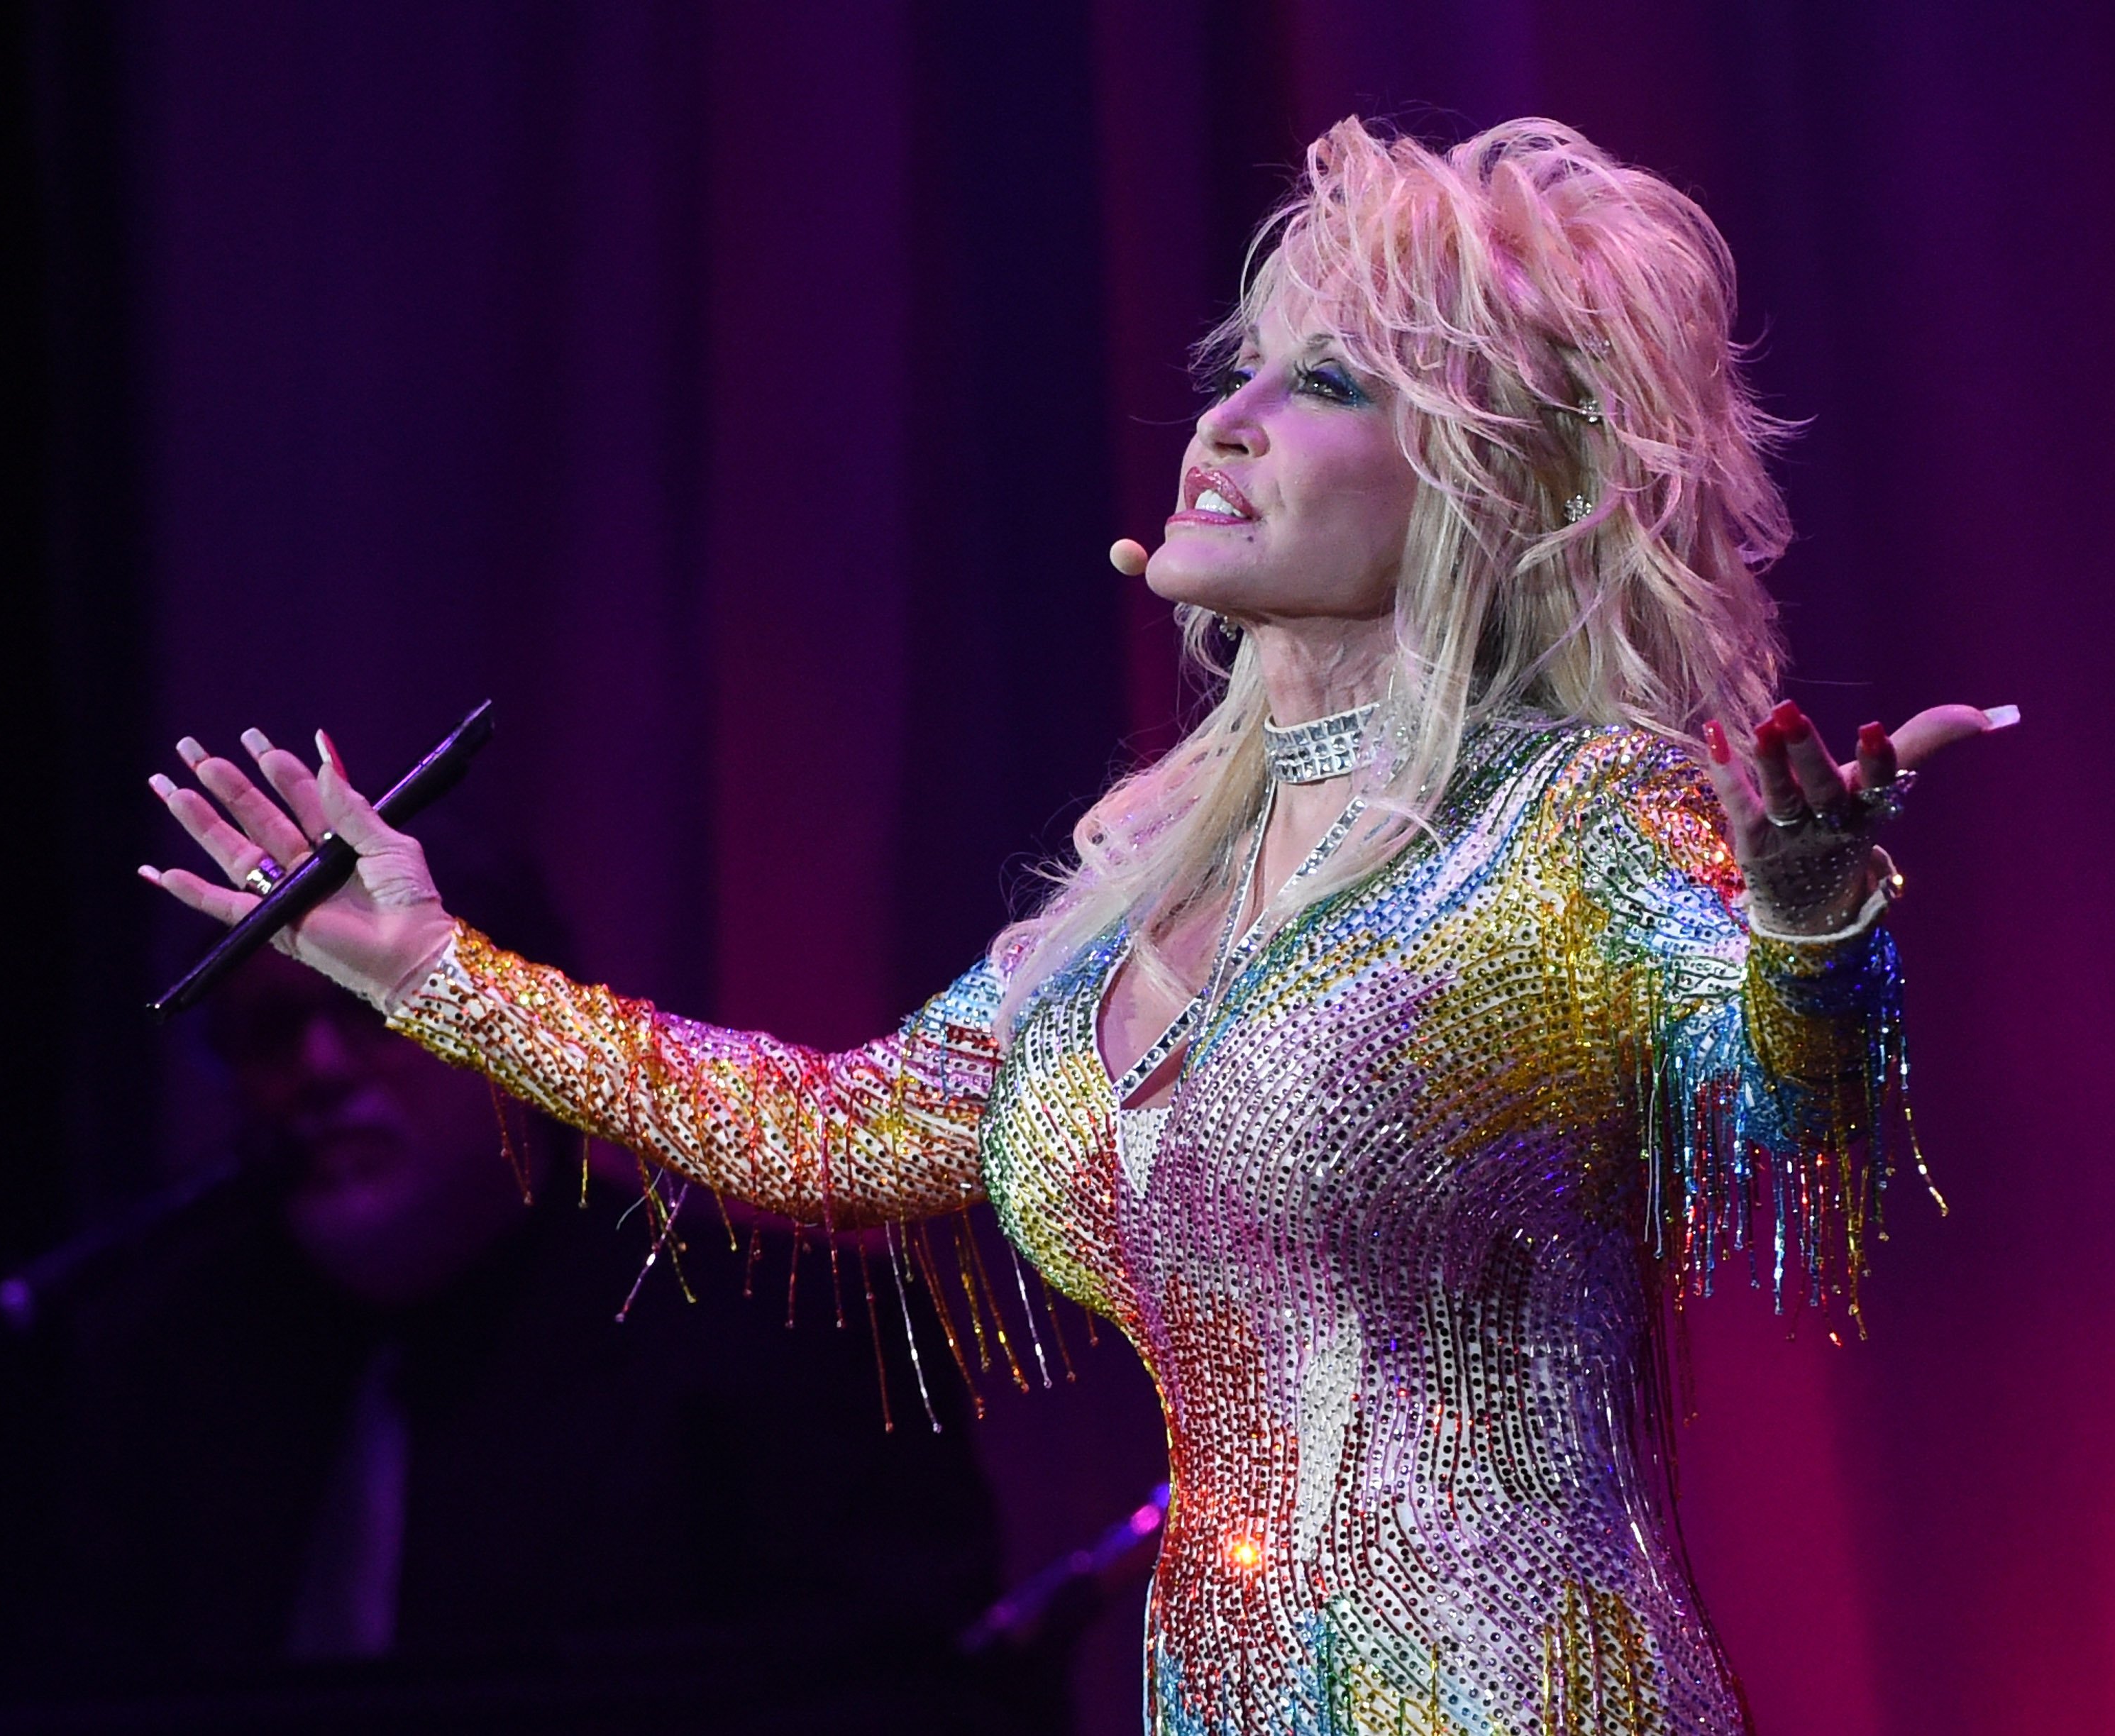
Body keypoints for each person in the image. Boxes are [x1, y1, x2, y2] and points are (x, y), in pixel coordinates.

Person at [143, 118, 2013, 1735]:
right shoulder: (1131, 887)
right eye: (1248, 366)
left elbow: (1791, 1113)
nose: (1233, 418)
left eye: (1331, 383)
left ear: (1483, 480)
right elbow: (835, 1127)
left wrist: (1814, 924)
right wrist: (426, 973)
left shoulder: (1577, 820)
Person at [28, 858, 1054, 1733]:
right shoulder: (155, 1365)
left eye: (371, 1009)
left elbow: (912, 1702)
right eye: (267, 1034)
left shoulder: (785, 1326)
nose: (321, 1068)